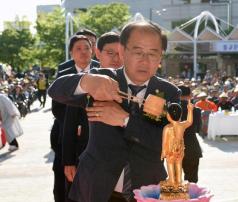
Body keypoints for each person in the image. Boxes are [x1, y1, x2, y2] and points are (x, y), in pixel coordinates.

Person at [48, 21, 180, 202]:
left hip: (145, 190)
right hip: (96, 188)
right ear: (123, 51)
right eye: (137, 52)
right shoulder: (104, 78)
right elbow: (56, 90)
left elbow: (167, 145)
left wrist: (125, 119)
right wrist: (86, 82)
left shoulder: (169, 92)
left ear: (160, 58)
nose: (144, 60)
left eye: (152, 53)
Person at [62, 32, 123, 202]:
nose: (116, 58)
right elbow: (69, 125)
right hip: (91, 159)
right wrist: (68, 161)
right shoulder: (88, 82)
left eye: (120, 53)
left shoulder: (137, 82)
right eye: (110, 53)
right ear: (99, 53)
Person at [50, 34, 96, 202]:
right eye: (78, 49)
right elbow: (57, 107)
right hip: (67, 133)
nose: (83, 52)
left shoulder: (101, 71)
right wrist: (75, 124)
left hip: (94, 132)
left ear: (93, 50)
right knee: (65, 182)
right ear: (71, 53)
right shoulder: (64, 72)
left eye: (87, 48)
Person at [161, 101, 193, 186]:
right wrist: (190, 110)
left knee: (170, 163)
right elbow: (189, 121)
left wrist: (163, 152)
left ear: (169, 116)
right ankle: (179, 180)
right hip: (180, 150)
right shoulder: (182, 125)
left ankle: (171, 180)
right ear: (180, 115)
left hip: (170, 151)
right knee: (179, 163)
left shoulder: (167, 128)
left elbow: (164, 142)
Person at [178, 85, 202, 183]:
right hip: (191, 147)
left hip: (175, 148)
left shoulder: (171, 109)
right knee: (192, 179)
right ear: (190, 96)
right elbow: (198, 129)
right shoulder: (195, 110)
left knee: (175, 180)